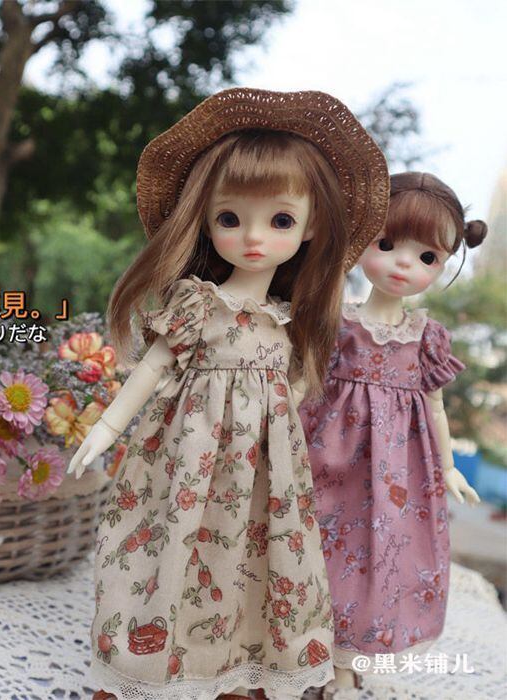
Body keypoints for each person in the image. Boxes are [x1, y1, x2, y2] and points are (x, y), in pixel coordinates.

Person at [68, 88, 389, 700]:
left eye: (281, 220)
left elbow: (296, 391)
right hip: (187, 460)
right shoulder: (199, 303)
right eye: (230, 218)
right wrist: (106, 428)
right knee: (173, 550)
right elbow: (153, 367)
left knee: (249, 563)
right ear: (206, 220)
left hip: (264, 474)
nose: (253, 237)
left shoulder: (290, 320)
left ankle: (235, 670)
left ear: (312, 226)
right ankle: (154, 666)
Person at [299, 172, 486, 696]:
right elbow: (305, 385)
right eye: (386, 245)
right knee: (316, 551)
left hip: (396, 477)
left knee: (375, 563)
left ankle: (346, 659)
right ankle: (300, 649)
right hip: (326, 459)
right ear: (362, 241)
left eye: (427, 257)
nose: (403, 264)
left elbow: (435, 406)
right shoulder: (338, 322)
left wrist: (448, 467)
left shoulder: (427, 338)